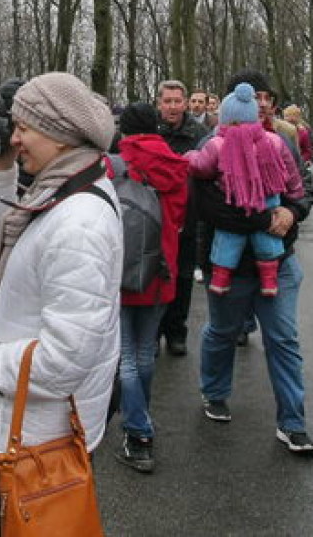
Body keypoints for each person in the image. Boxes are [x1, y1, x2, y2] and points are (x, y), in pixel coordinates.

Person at [0, 72, 122, 537]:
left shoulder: (79, 222)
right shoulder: (61, 189)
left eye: (23, 127)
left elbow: (66, 358)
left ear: (60, 134)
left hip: (36, 434)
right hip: (25, 424)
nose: (14, 137)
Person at [190, 67, 313, 455]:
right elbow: (211, 210)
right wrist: (266, 218)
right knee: (223, 332)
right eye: (253, 97)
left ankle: (293, 423)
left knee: (283, 339)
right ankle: (214, 393)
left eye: (265, 96)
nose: (261, 103)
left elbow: (302, 191)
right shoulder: (213, 145)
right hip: (229, 265)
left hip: (280, 261)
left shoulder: (282, 143)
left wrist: (292, 214)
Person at [111, 101, 187, 474]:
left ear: (123, 129)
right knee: (144, 352)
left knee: (124, 355)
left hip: (121, 271)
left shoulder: (114, 165)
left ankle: (138, 432)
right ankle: (140, 417)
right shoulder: (175, 164)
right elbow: (181, 216)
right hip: (161, 271)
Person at [189, 83, 288, 297]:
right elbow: (286, 170)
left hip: (235, 200)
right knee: (267, 241)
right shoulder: (272, 140)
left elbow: (201, 167)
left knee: (227, 239)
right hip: (267, 200)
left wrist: (189, 157)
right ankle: (269, 281)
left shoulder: (217, 143)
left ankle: (221, 279)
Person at [154, 79, 209, 357]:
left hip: (188, 216)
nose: (173, 107)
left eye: (177, 101)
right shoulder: (150, 132)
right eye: (168, 101)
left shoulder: (199, 134)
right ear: (159, 103)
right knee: (153, 275)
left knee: (184, 276)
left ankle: (177, 331)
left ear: (186, 104)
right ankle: (151, 333)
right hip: (153, 217)